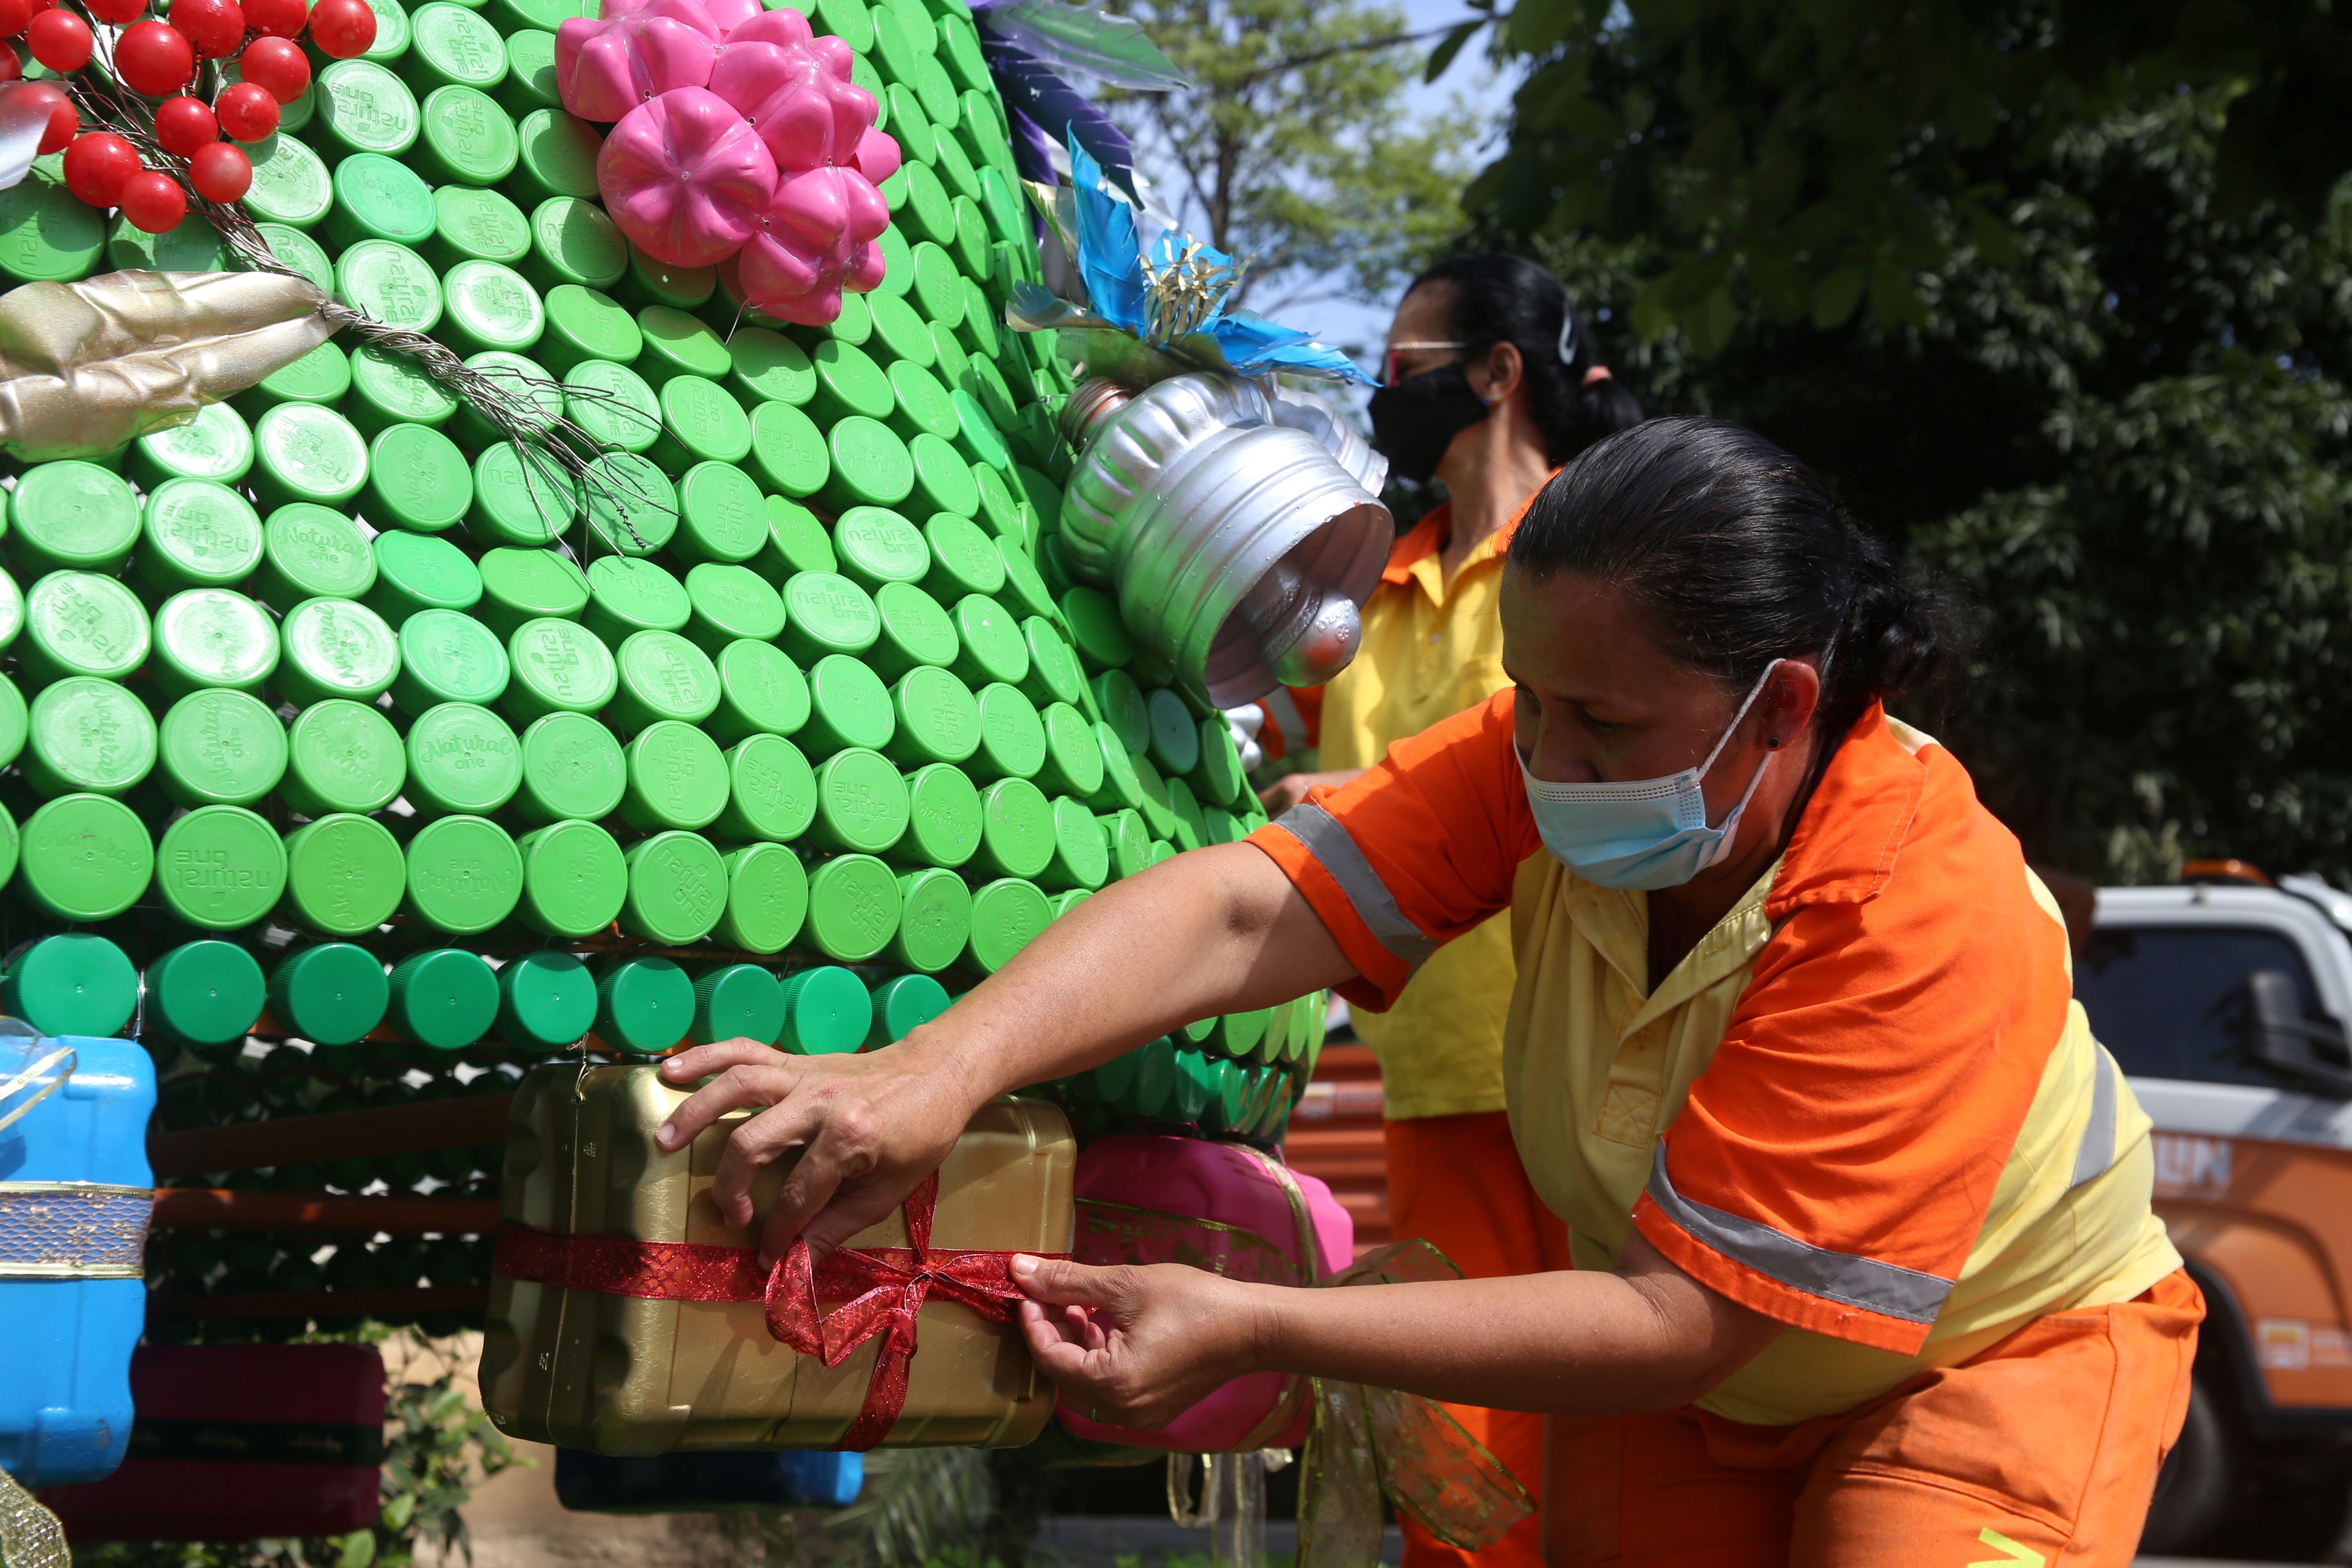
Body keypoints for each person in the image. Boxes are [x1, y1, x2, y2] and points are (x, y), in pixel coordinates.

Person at [654, 418, 2200, 1566]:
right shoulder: (1554, 752)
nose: (1541, 759)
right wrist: (938, 1069)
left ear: (1779, 707)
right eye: (1527, 700)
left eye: (1596, 721)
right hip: (1699, 1372)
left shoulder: (1915, 909)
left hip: (1989, 1356)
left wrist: (1263, 1324)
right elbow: (1254, 901)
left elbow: (1682, 1319)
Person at [1255, 251, 1642, 1568]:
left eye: (1405, 361)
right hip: (1436, 1074)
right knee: (1461, 1474)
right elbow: (1275, 726)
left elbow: (1576, 759)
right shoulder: (1381, 582)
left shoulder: (1594, 558)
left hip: (1601, 1070)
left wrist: (1363, 790)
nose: (1381, 386)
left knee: (1632, 1461)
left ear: (1497, 375)